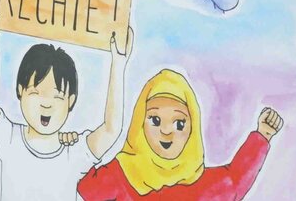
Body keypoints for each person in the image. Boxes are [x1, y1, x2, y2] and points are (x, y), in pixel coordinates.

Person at [0, 15, 130, 201]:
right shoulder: (9, 138)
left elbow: (111, 130)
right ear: (20, 91)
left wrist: (119, 63)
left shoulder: (74, 152)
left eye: (57, 96)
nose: (46, 103)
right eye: (36, 92)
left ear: (70, 101)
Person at [77, 69, 281, 200]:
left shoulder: (202, 185)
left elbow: (235, 181)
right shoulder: (119, 175)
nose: (166, 131)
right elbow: (81, 187)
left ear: (192, 129)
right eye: (155, 120)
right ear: (140, 122)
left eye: (179, 123)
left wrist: (262, 136)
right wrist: (72, 146)